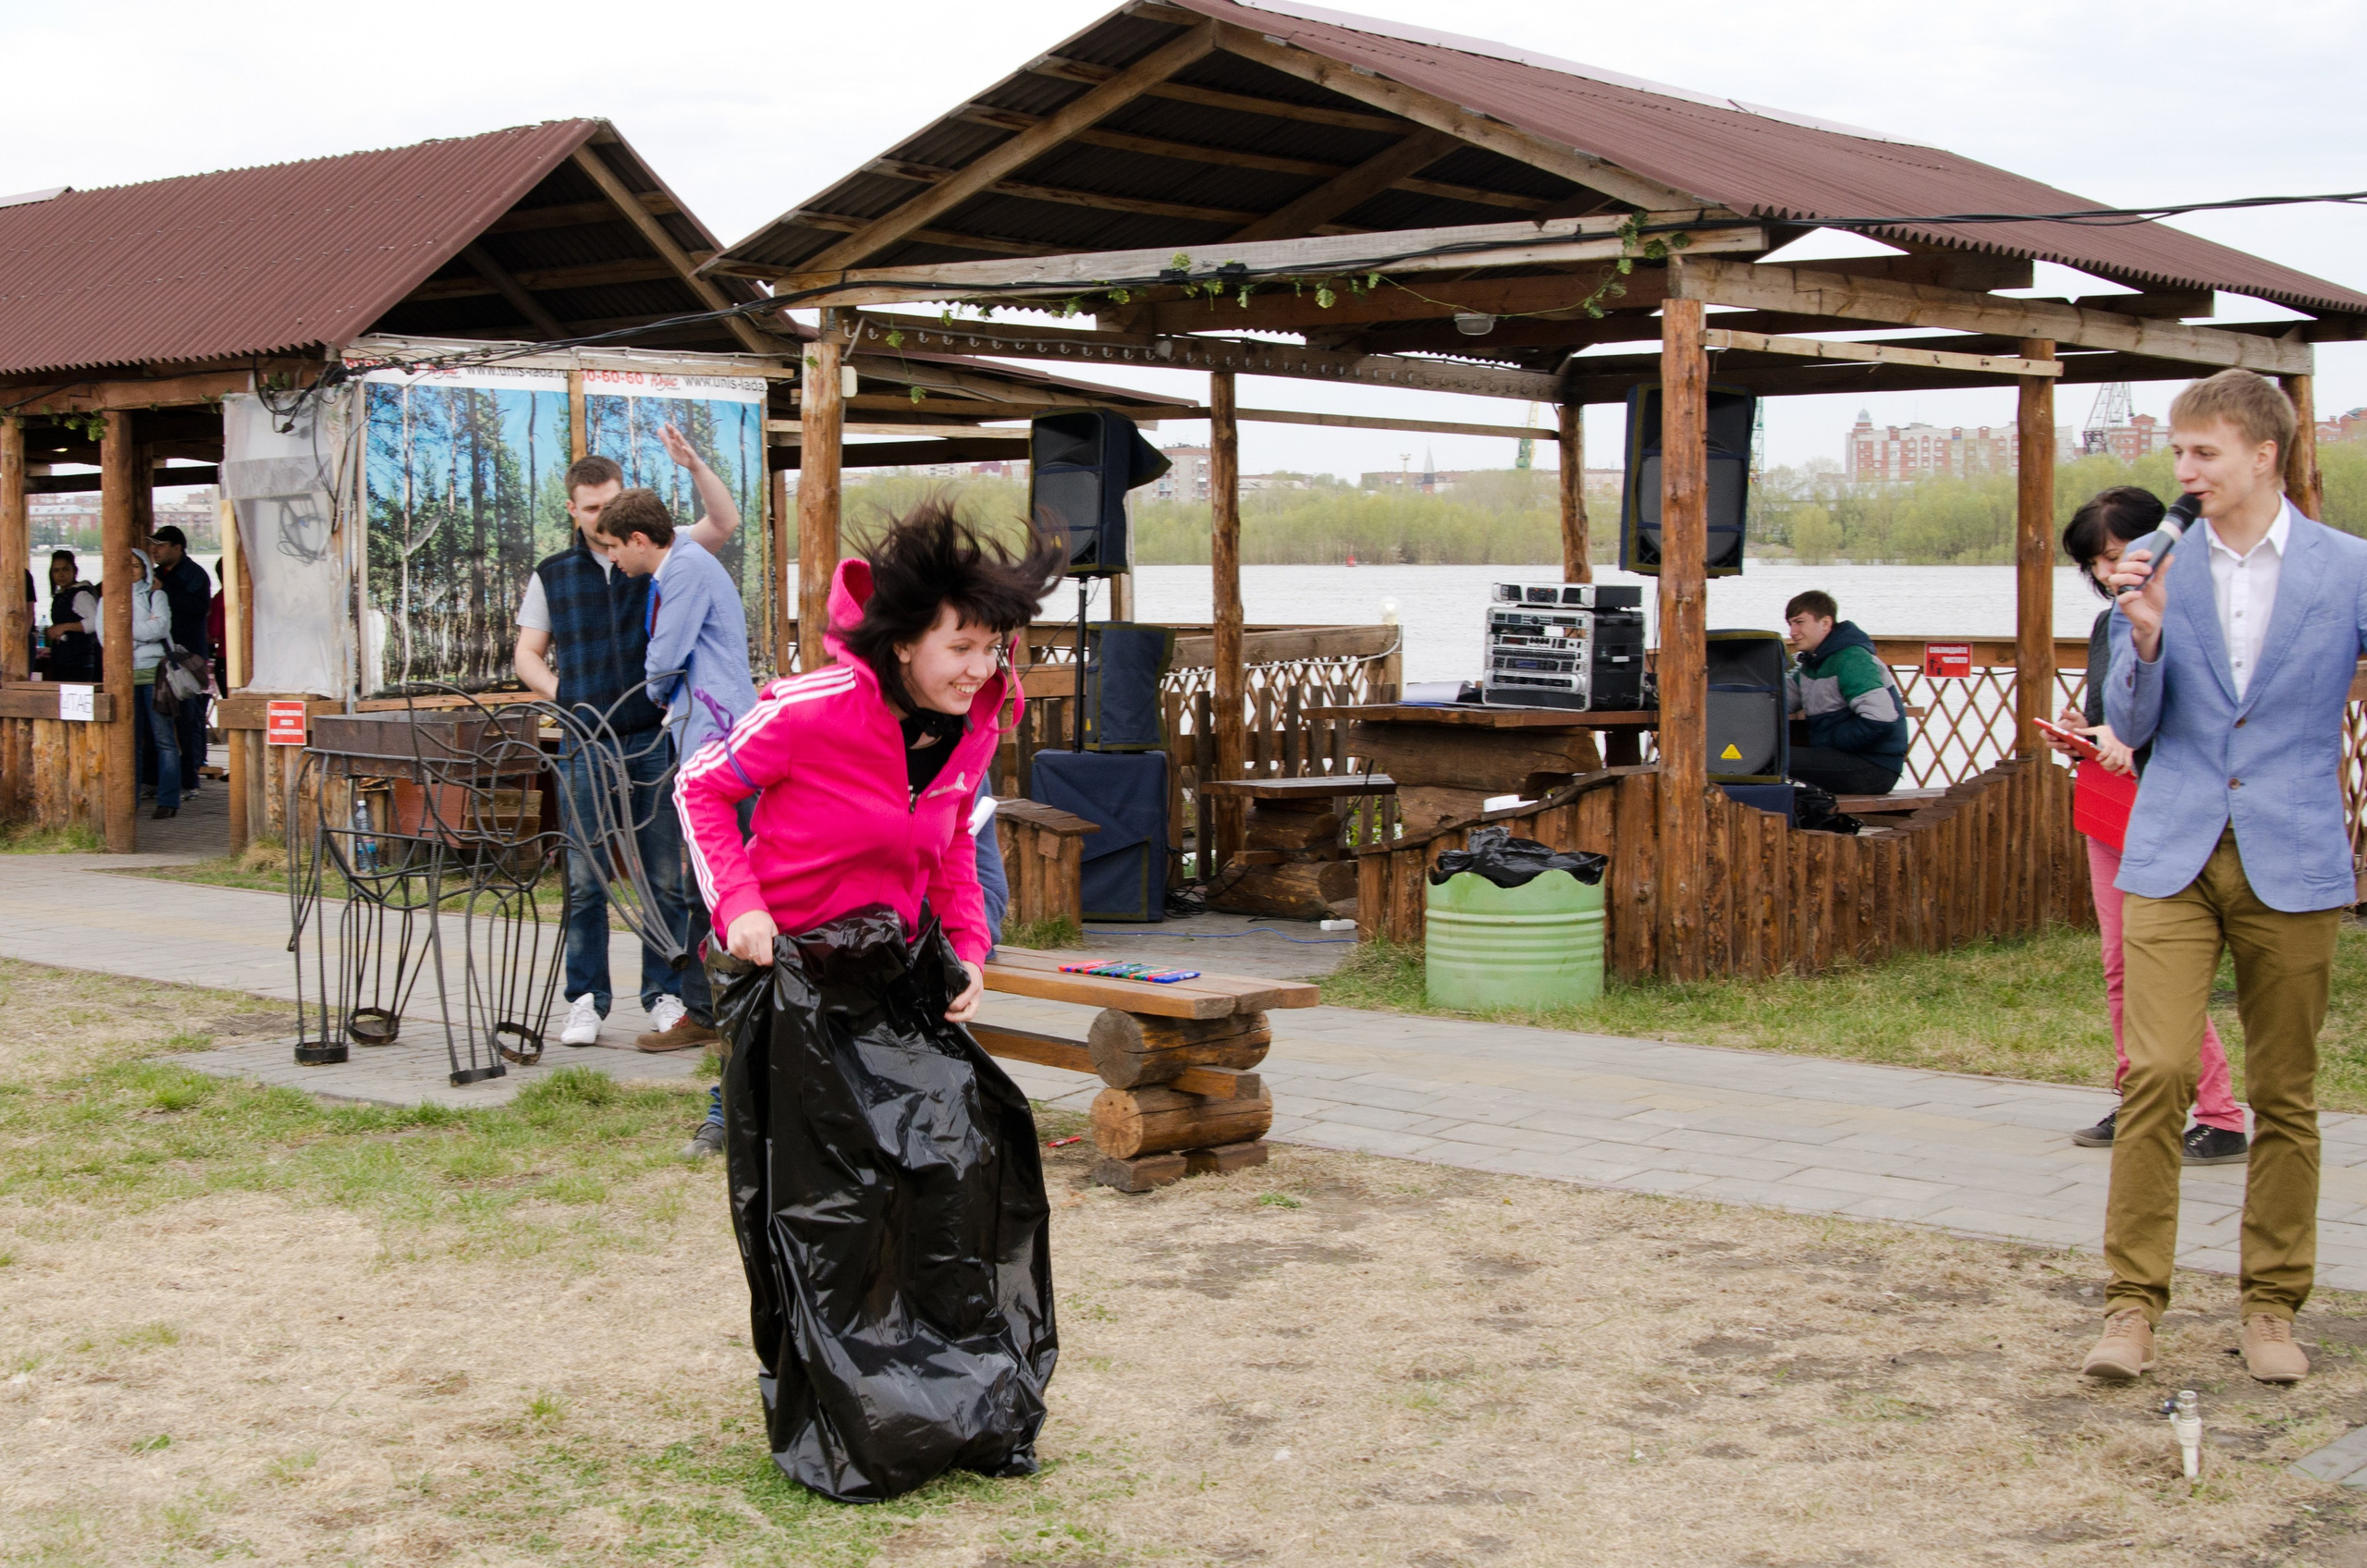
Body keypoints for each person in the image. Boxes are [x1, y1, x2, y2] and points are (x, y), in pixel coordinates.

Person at [676, 500, 1064, 1500]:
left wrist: (969, 952)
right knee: (827, 1212)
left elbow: (947, 859)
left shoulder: (972, 731)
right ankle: (839, 1411)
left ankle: (945, 1397)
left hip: (894, 980)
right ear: (902, 641)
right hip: (792, 981)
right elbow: (700, 790)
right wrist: (743, 907)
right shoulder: (808, 708)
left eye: (994, 647)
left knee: (953, 1176)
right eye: (962, 646)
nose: (980, 667)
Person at [2081, 369, 2367, 1388]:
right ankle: (2130, 1305)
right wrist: (2144, 633)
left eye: (2201, 453)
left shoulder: (2349, 569)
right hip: (2172, 851)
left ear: (2261, 455)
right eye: (2177, 454)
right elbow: (2133, 718)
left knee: (2284, 1090)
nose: (2182, 472)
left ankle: (2271, 1305)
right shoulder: (2156, 569)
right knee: (2155, 1072)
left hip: (2292, 853)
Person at [512, 430, 742, 1053]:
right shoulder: (552, 574)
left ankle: (664, 993)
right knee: (586, 876)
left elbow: (723, 520)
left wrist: (694, 462)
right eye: (591, 510)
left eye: (611, 505)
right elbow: (526, 654)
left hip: (652, 737)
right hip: (585, 741)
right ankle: (586, 998)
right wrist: (567, 695)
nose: (602, 519)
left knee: (664, 874)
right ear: (573, 510)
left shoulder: (658, 555)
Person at [2049, 488, 2247, 1165]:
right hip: (2108, 804)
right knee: (2118, 965)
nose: (2106, 574)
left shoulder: (2202, 618)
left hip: (2168, 810)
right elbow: (2117, 710)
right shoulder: (2112, 626)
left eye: (2112, 556)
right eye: (2094, 564)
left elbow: (2196, 720)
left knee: (2162, 966)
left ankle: (2219, 1113)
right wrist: (2087, 729)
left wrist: (2130, 739)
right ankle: (2140, 1096)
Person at [590, 485, 754, 1066]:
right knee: (711, 880)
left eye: (613, 547)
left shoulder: (682, 569)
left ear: (639, 540)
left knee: (713, 879)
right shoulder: (680, 556)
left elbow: (664, 658)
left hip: (714, 738)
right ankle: (714, 1008)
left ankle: (714, 1012)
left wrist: (658, 695)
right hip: (712, 733)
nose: (612, 558)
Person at [1783, 590, 1908, 796]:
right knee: (1762, 757)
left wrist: (1831, 740)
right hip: (1844, 759)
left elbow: (1882, 719)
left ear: (1825, 623)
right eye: (1790, 624)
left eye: (1799, 622)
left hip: (1874, 767)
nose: (1792, 632)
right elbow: (1780, 701)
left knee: (1773, 760)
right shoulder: (1812, 664)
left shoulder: (1852, 660)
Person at [108, 549, 180, 821]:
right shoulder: (109, 599)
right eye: (125, 565)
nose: (131, 569)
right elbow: (106, 634)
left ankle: (169, 799)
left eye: (136, 565)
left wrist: (126, 631)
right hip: (124, 676)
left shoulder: (156, 595)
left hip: (154, 674)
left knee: (163, 739)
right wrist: (140, 633)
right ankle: (130, 798)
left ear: (145, 569)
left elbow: (160, 629)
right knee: (129, 742)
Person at [147, 525, 212, 796]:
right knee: (157, 718)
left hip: (188, 656)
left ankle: (190, 781)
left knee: (189, 720)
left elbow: (198, 609)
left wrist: (166, 590)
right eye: (153, 545)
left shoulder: (195, 574)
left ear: (178, 548)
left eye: (161, 545)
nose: (155, 550)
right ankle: (153, 780)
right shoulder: (155, 574)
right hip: (159, 655)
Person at [42, 551, 101, 683]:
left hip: (79, 665)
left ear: (75, 571)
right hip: (63, 662)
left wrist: (65, 627)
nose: (61, 574)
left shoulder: (81, 595)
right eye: (56, 570)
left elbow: (95, 622)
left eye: (65, 569)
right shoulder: (60, 595)